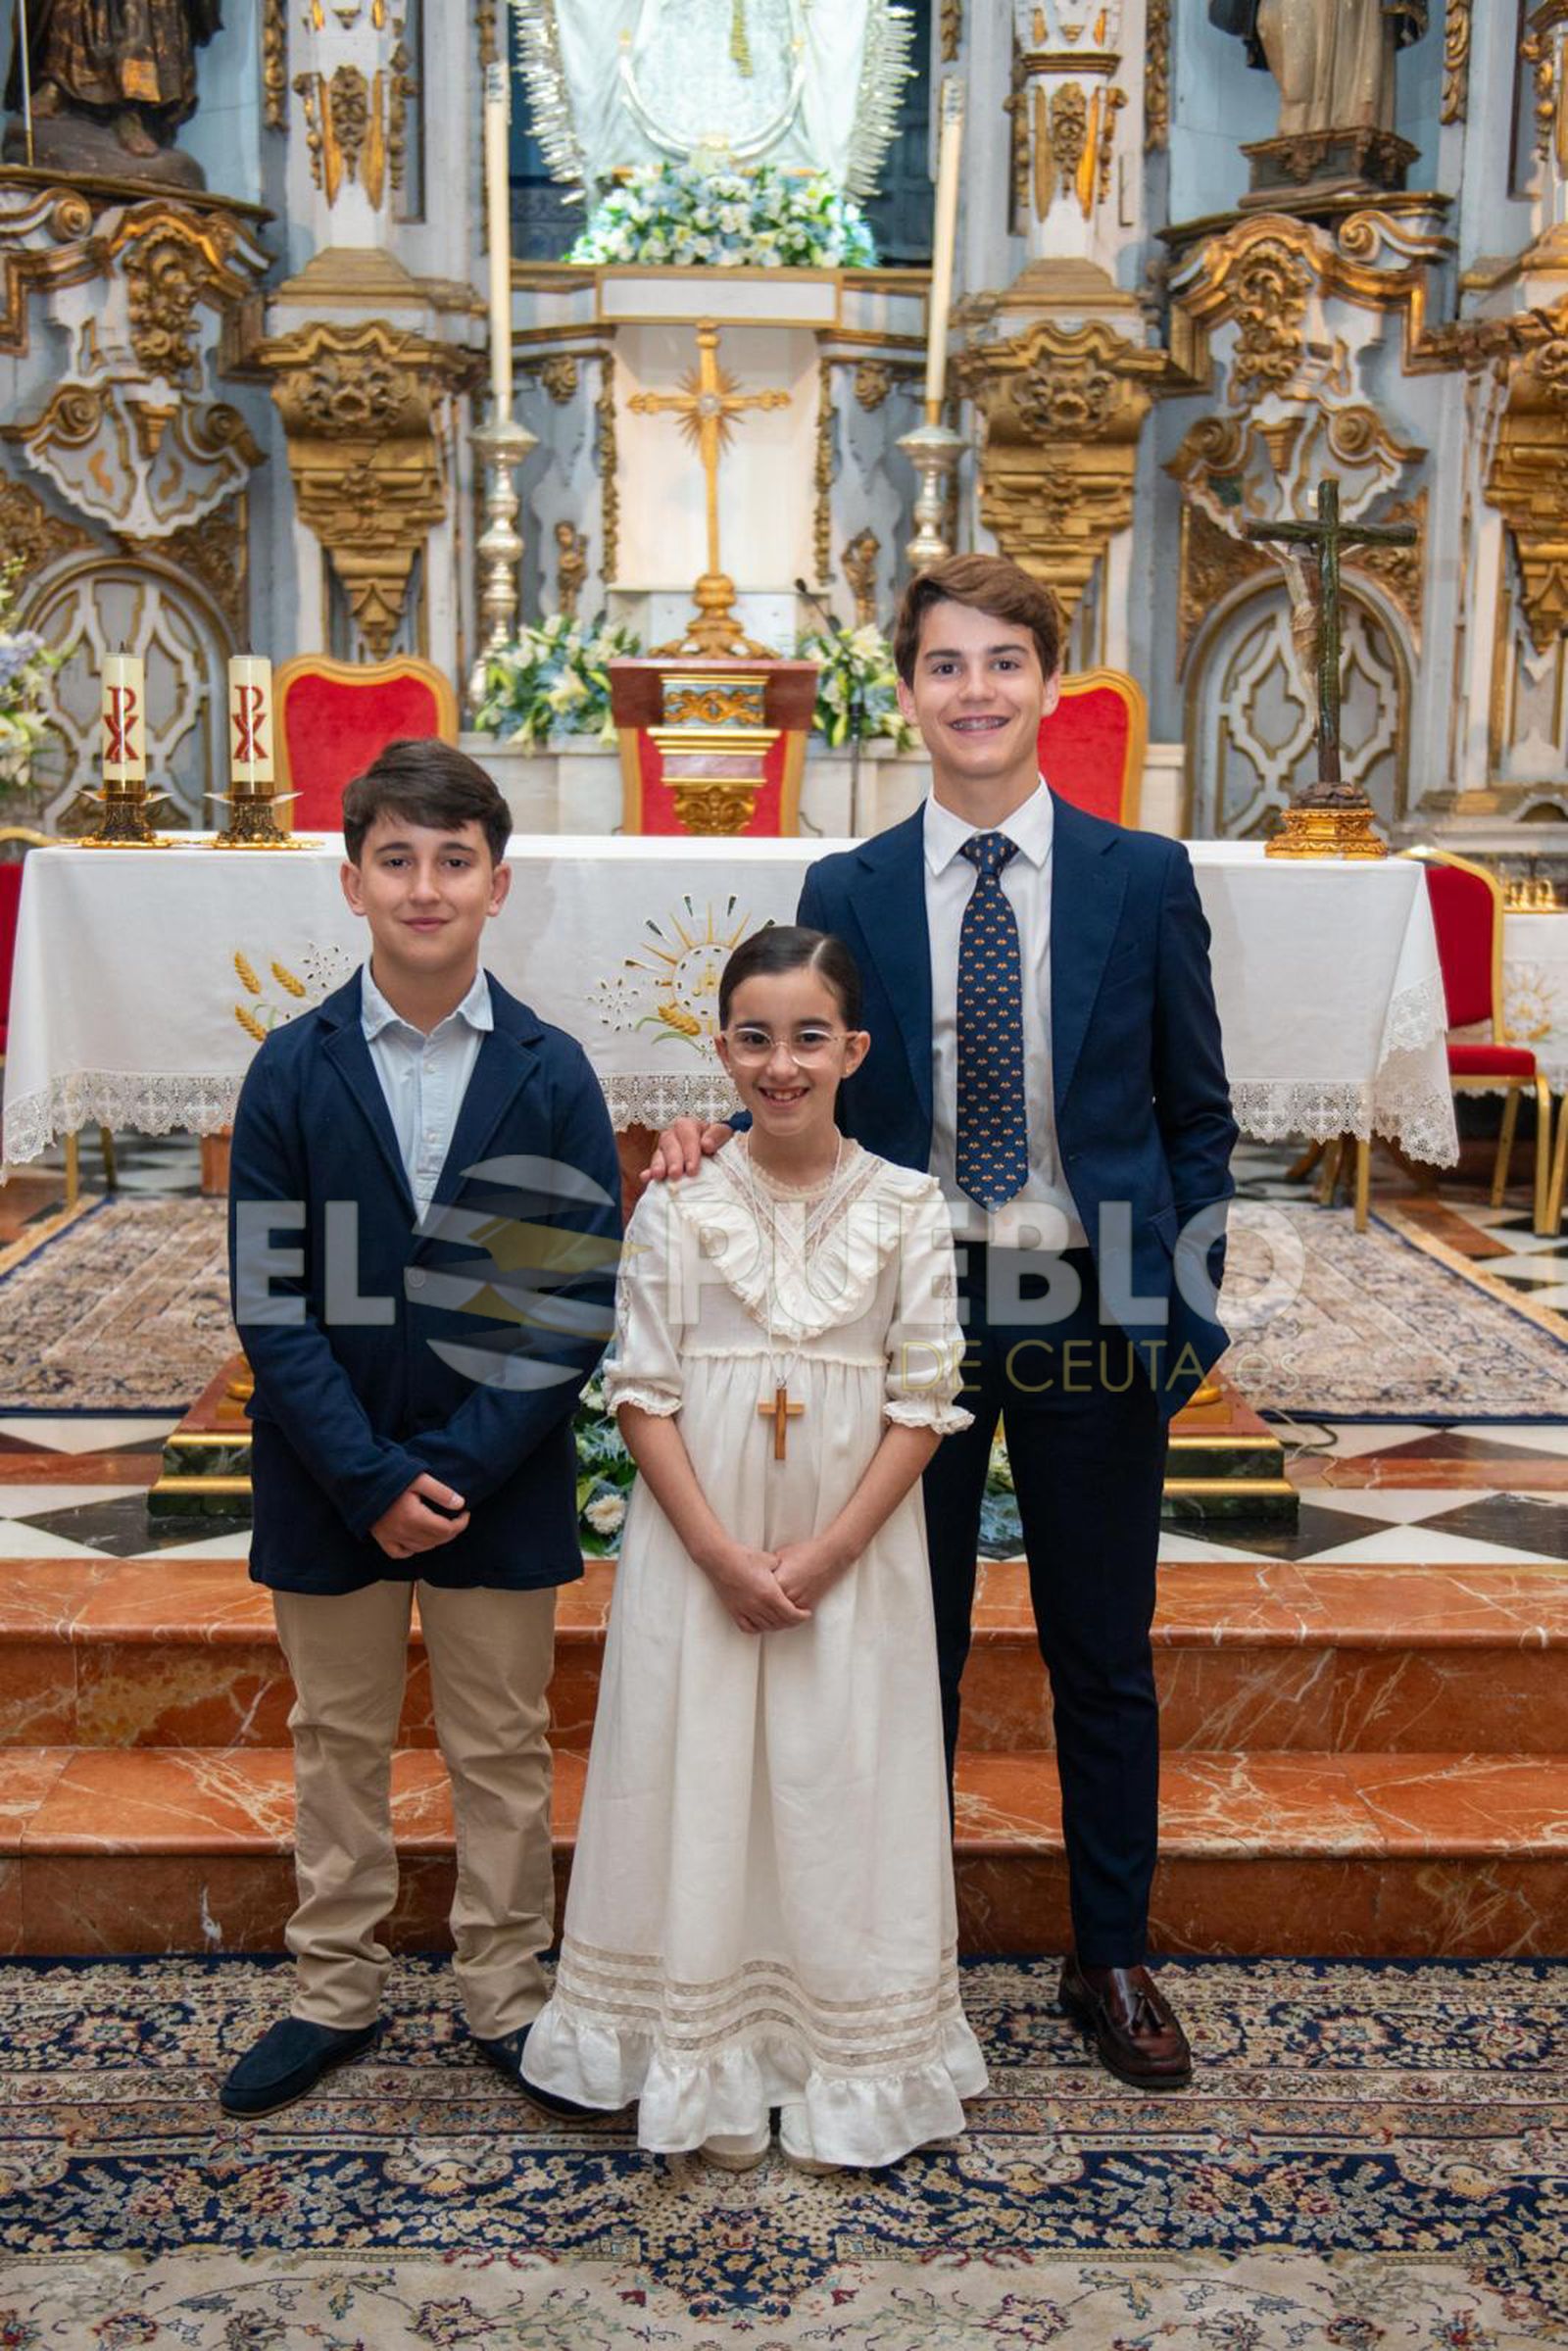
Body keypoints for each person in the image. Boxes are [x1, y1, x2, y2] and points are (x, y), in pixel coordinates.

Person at [647, 554, 1238, 2092]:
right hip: (896, 1293)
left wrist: (1181, 1311)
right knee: (904, 1642)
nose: (974, 690)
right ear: (905, 691)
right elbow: (805, 1067)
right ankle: (889, 1959)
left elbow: (1199, 1110)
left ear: (1052, 679)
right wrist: (713, 1134)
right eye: (944, 665)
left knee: (1100, 1642)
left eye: (1003, 661)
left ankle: (1109, 1949)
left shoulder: (1140, 875)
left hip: (1084, 1296)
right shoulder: (846, 889)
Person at [521, 927, 988, 2171]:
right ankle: (699, 2046)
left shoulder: (907, 1205)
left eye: (808, 1037)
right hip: (699, 1556)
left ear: (855, 1050)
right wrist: (723, 1556)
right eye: (754, 1037)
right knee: (700, 1769)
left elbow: (924, 1397)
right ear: (720, 1049)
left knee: (838, 1782)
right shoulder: (678, 1203)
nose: (781, 1064)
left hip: (855, 1561)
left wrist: (830, 1551)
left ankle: (850, 2051)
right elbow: (642, 1390)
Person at [220, 738, 621, 2121]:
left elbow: (563, 1305)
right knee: (336, 1731)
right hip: (327, 1469)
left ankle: (506, 1984)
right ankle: (333, 1981)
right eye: (398, 858)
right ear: (352, 881)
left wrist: (451, 1465)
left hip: (490, 1480)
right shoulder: (291, 1067)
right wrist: (370, 1472)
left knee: (500, 1739)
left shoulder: (551, 1071)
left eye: (454, 860)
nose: (426, 884)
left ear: (498, 883)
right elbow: (274, 1303)